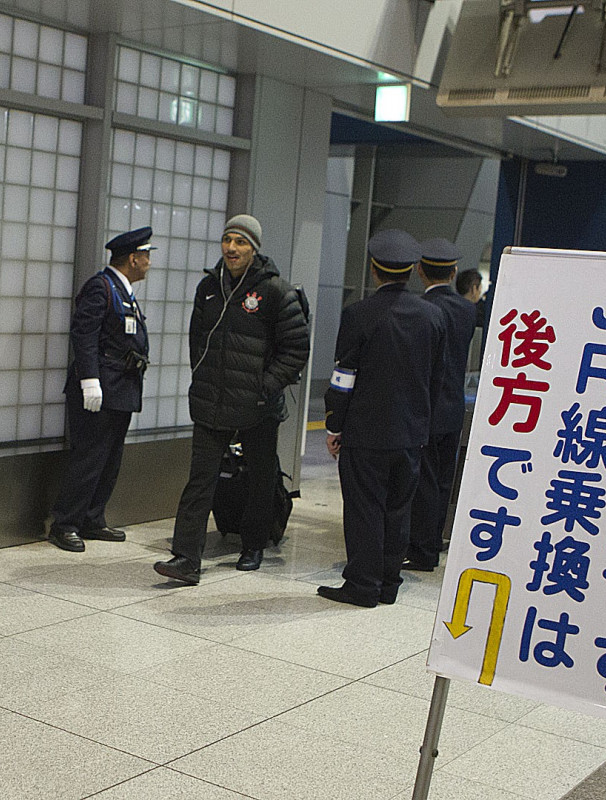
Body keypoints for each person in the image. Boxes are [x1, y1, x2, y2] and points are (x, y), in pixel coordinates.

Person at [154, 214, 309, 584]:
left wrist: (264, 387)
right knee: (200, 479)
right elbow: (197, 340)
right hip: (212, 401)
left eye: (240, 242)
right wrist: (203, 378)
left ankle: (253, 545)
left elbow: (296, 347)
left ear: (253, 249)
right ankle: (186, 557)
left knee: (260, 477)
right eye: (227, 240)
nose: (231, 248)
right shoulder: (209, 287)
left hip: (258, 406)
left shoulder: (275, 290)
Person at [319, 229, 445, 607]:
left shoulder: (358, 315)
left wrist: (334, 424)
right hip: (411, 433)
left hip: (365, 431)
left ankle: (362, 584)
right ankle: (389, 581)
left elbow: (344, 378)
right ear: (411, 270)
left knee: (364, 509)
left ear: (375, 270)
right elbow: (435, 379)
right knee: (398, 508)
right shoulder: (433, 316)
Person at [45, 227, 154, 551]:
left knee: (110, 459)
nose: (149, 263)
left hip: (121, 388)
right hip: (99, 390)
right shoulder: (101, 287)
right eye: (146, 256)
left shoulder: (124, 291)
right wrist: (89, 380)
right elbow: (84, 334)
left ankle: (92, 518)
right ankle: (65, 524)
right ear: (133, 258)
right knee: (89, 458)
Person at [406, 239, 475, 571]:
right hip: (454, 407)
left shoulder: (420, 309)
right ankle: (433, 541)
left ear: (419, 271)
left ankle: (421, 550)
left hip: (425, 408)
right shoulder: (467, 309)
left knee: (424, 482)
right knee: (443, 481)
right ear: (455, 271)